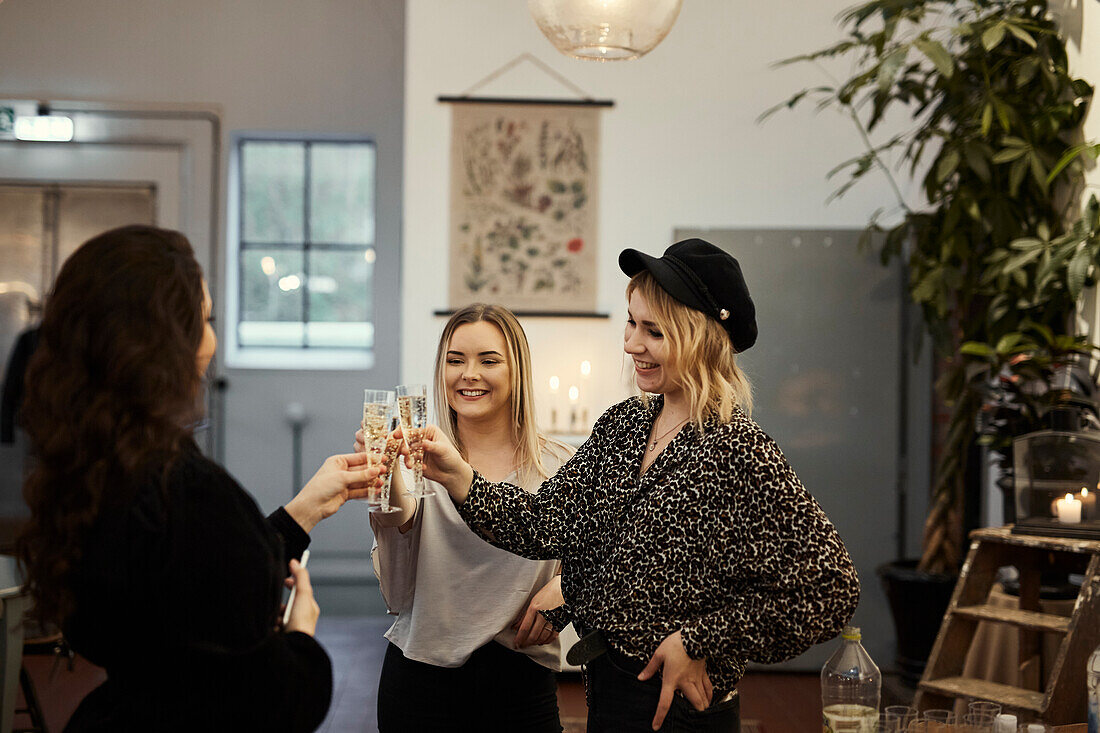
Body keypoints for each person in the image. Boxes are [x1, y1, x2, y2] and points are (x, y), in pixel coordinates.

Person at [414, 239, 862, 732]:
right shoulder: (625, 425)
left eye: (654, 331)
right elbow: (544, 524)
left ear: (700, 339)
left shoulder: (737, 449)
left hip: (683, 710)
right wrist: (458, 475)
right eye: (632, 322)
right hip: (608, 693)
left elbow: (830, 589)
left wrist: (700, 640)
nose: (631, 344)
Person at [16, 225, 381, 732]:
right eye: (205, 319)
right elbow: (263, 703)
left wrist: (303, 512)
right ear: (166, 342)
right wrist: (302, 639)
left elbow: (190, 586)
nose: (211, 339)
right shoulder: (184, 491)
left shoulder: (92, 469)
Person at [357, 303, 573, 733]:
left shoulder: (558, 466)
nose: (468, 374)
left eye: (488, 360)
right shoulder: (422, 460)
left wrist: (567, 585)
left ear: (517, 371)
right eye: (455, 361)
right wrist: (385, 476)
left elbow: (605, 554)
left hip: (522, 687)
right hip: (421, 685)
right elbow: (400, 525)